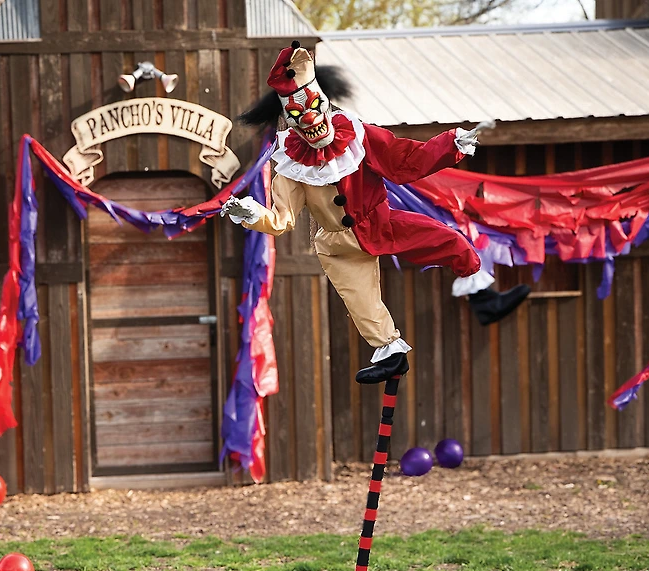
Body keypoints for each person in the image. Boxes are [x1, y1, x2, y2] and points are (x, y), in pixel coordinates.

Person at [221, 43, 530, 384]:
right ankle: (392, 356)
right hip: (338, 247)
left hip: (380, 222)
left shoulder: (358, 134)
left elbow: (403, 162)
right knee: (364, 307)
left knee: (447, 238)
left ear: (324, 103)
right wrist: (251, 213)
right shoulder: (292, 164)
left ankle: (484, 300)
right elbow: (283, 219)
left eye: (311, 108)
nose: (308, 120)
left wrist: (450, 144)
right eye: (296, 116)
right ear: (289, 123)